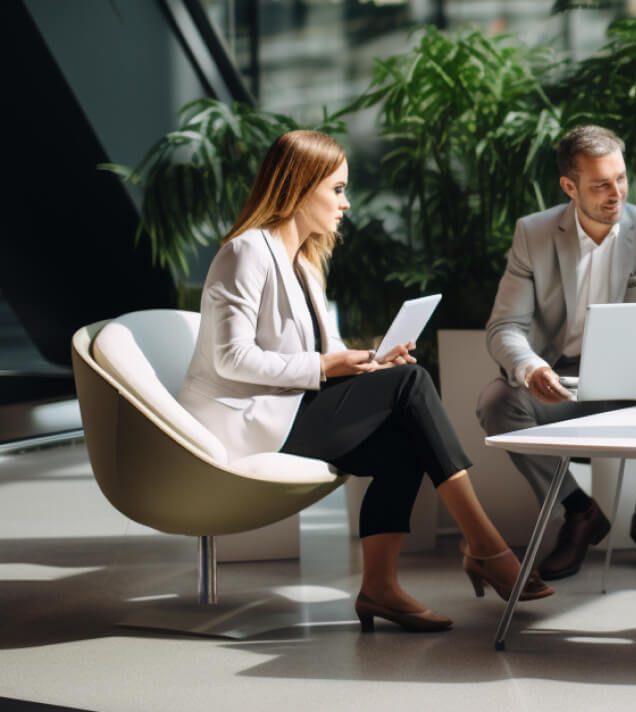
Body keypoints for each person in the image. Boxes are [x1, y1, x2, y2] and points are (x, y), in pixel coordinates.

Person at [178, 130, 552, 635]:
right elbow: (231, 358)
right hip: (251, 421)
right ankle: (485, 545)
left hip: (292, 407)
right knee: (412, 382)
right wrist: (328, 368)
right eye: (336, 189)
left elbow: (320, 355)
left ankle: (380, 588)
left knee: (403, 441)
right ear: (299, 186)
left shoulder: (305, 265)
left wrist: (369, 361)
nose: (345, 202)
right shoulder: (244, 253)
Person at [477, 125, 636, 580]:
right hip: (563, 380)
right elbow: (504, 326)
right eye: (600, 185)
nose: (617, 194)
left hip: (635, 383)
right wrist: (530, 366)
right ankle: (580, 511)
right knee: (498, 404)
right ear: (569, 187)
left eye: (622, 179)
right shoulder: (533, 234)